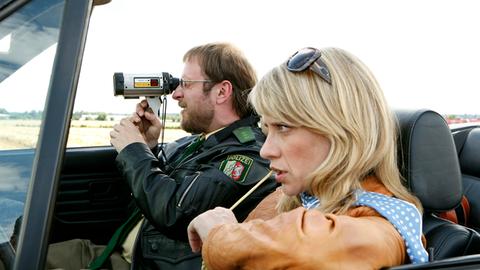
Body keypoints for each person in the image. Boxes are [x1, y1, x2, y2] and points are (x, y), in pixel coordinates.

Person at [187, 47, 429, 269]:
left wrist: (221, 234)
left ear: (340, 131)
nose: (265, 150)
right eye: (265, 128)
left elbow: (309, 247)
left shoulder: (383, 225)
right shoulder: (299, 196)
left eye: (283, 127)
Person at [46, 42, 277, 270]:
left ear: (222, 91)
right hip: (124, 253)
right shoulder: (198, 142)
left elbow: (175, 213)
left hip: (145, 264)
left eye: (185, 84)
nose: (176, 94)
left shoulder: (247, 155)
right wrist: (149, 147)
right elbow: (158, 192)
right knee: (18, 250)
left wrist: (135, 151)